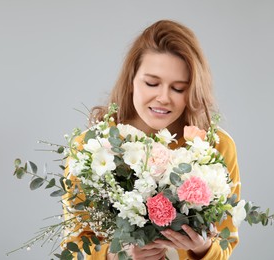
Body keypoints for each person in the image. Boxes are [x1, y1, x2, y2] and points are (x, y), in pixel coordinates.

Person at [63, 19, 241, 260]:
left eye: (178, 88)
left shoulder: (216, 146)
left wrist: (201, 248)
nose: (163, 98)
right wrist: (115, 256)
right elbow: (74, 244)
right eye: (151, 83)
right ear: (131, 81)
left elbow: (225, 240)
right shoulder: (91, 147)